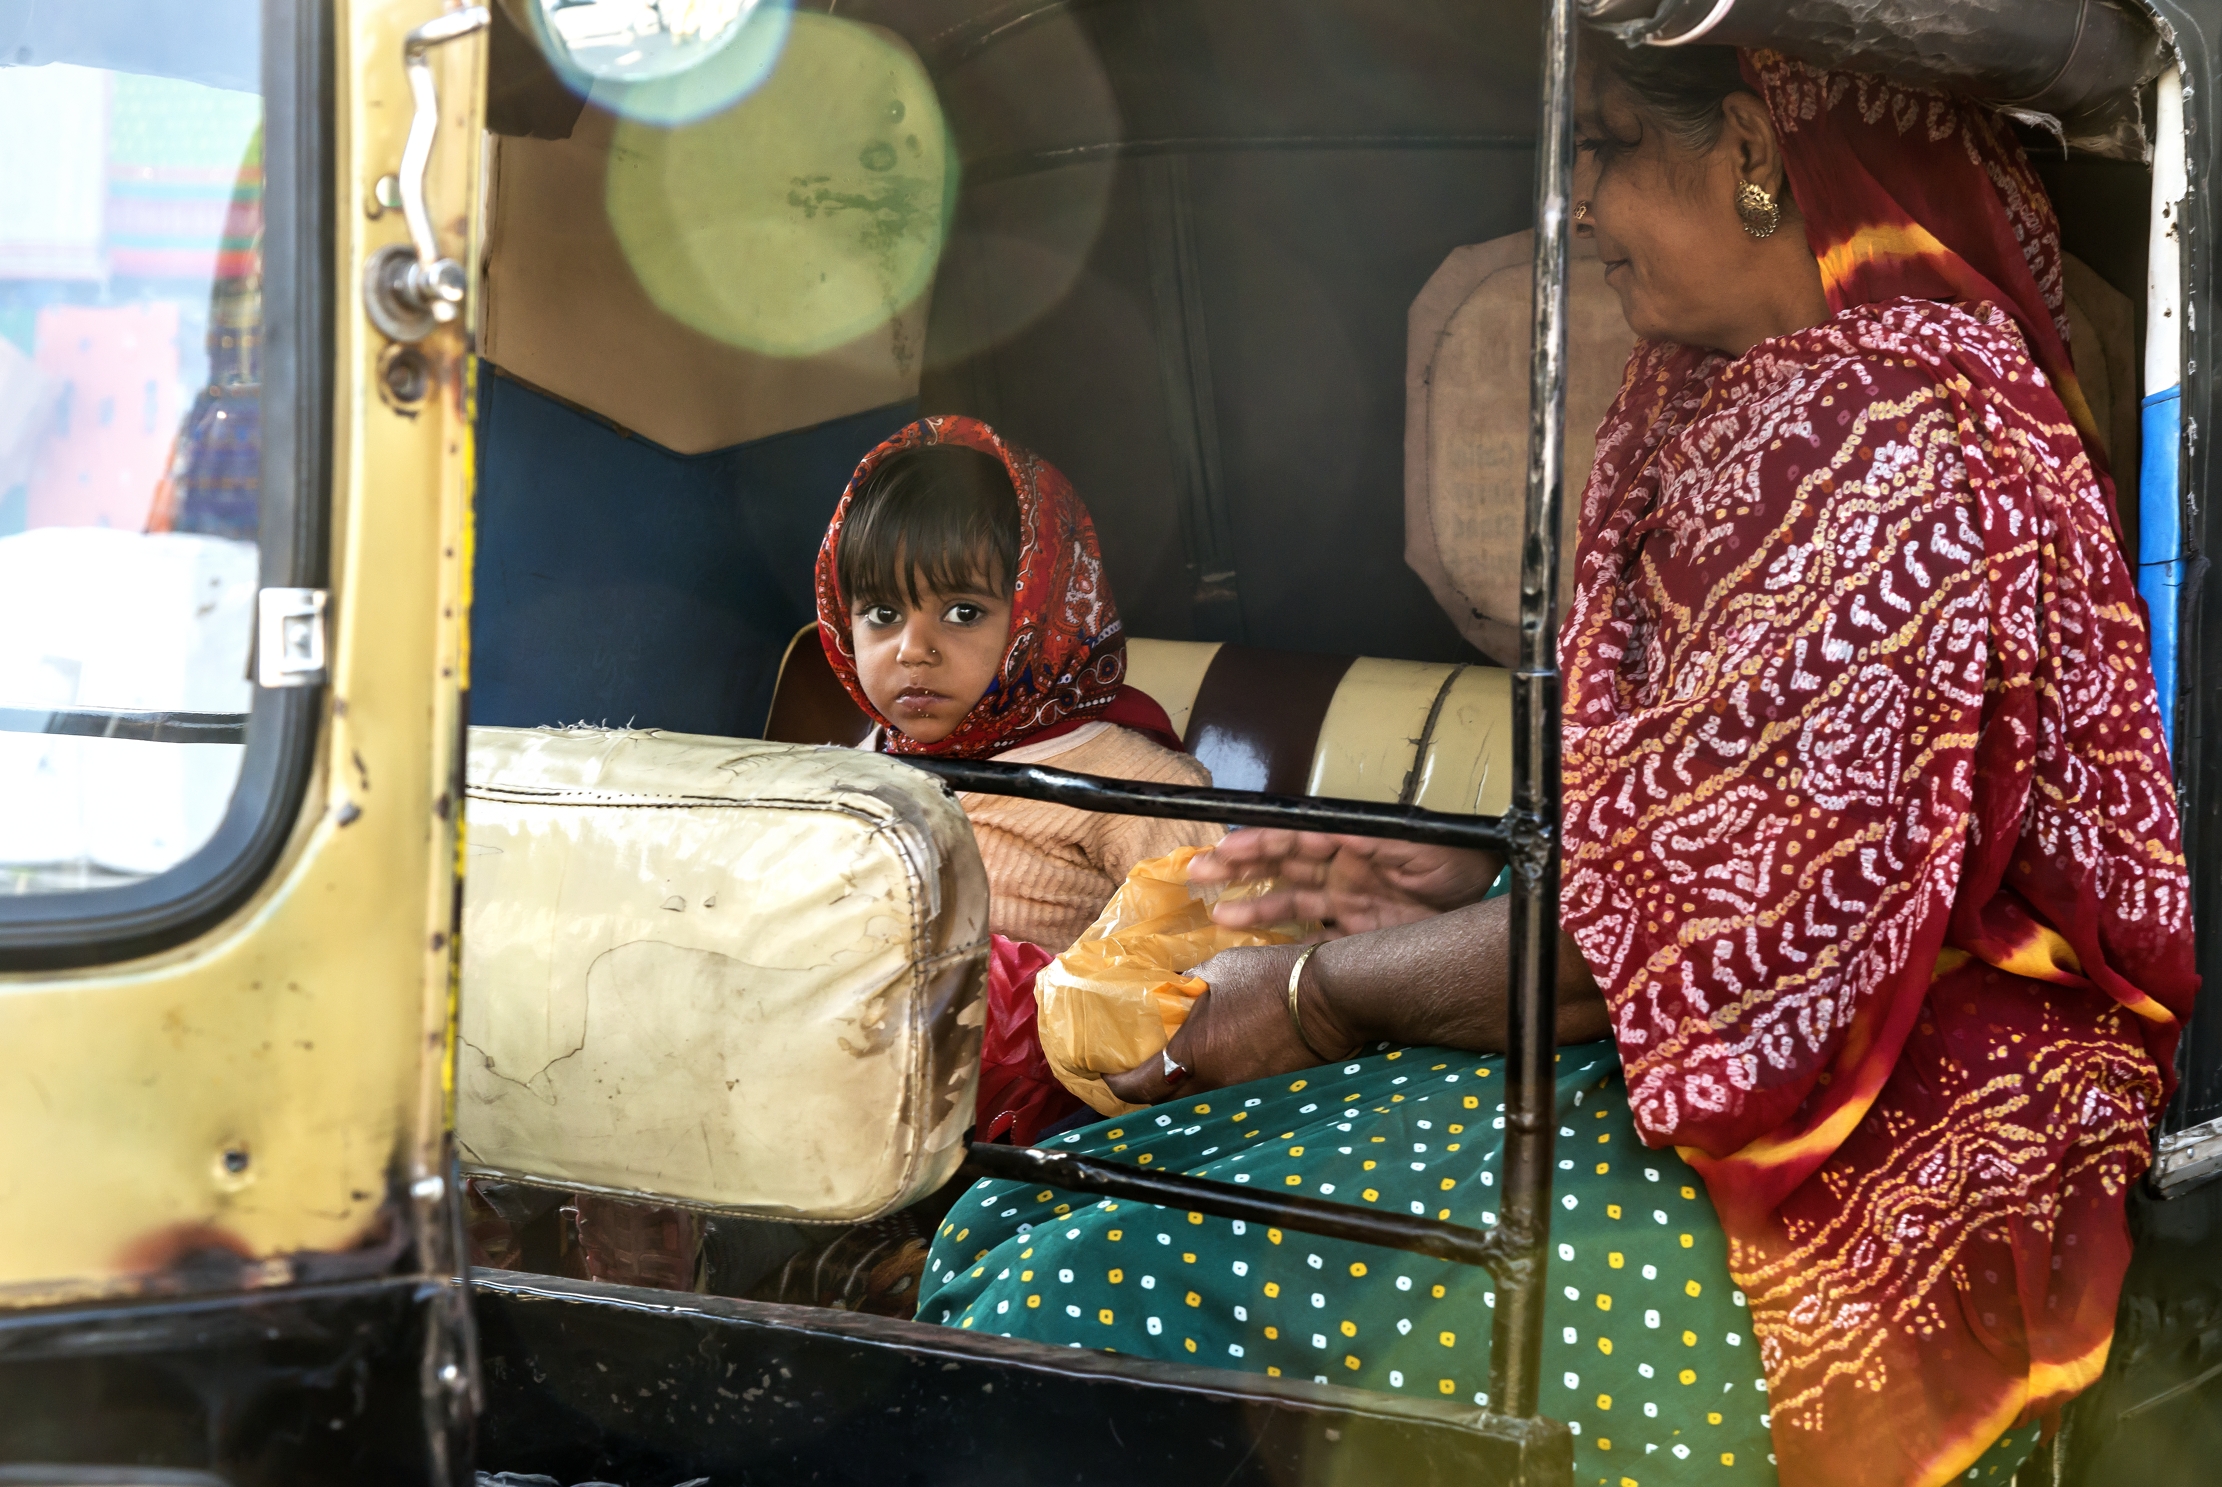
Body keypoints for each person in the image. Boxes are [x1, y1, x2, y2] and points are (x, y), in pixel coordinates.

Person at [916, 38, 2196, 1487]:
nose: (1575, 206)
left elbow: (1710, 945)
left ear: (1751, 156)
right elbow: (1672, 854)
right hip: (1667, 1042)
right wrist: (1459, 879)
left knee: (1066, 1283)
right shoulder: (1724, 410)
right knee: (1019, 1215)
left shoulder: (1906, 446)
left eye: (1599, 149)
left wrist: (1314, 995)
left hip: (1869, 1134)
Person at [814, 414, 1223, 956]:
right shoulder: (858, 766)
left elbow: (1216, 975)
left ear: (1044, 613)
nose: (912, 650)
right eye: (882, 612)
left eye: (963, 612)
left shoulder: (1136, 790)